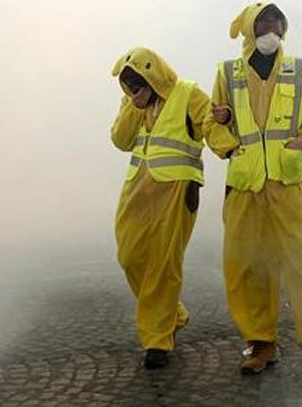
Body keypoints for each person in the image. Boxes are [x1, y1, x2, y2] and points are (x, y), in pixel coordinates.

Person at [206, 2, 302, 378]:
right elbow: (211, 122)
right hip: (245, 187)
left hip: (289, 183)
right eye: (265, 21)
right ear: (250, 28)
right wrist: (228, 143)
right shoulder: (227, 72)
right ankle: (261, 343)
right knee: (248, 265)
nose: (273, 27)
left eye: (278, 21)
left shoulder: (300, 70)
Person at [110, 47, 209, 369]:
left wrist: (229, 146)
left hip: (177, 189)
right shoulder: (133, 103)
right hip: (138, 189)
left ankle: (157, 340)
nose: (133, 89)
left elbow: (213, 124)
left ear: (153, 75)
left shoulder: (187, 93)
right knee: (129, 256)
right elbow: (121, 141)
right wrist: (134, 106)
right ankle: (173, 314)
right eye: (128, 85)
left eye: (138, 83)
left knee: (164, 264)